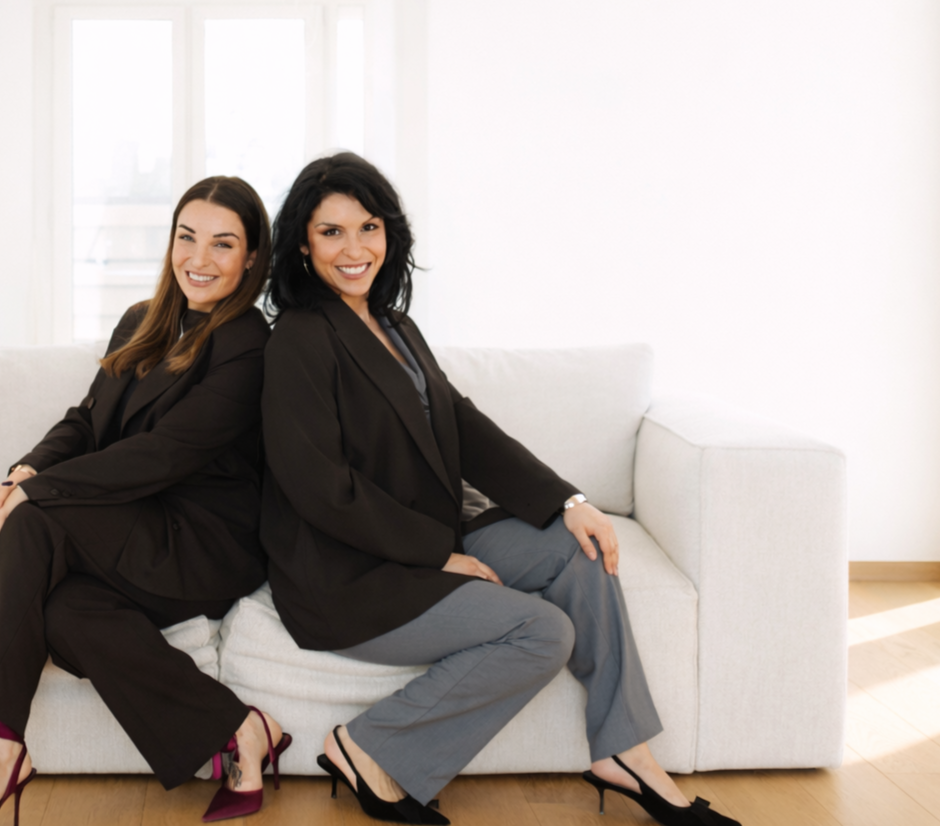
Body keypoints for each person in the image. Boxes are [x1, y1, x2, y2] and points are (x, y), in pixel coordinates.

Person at [258, 153, 738, 826]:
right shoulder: (297, 340)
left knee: (582, 551)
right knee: (542, 631)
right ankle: (366, 746)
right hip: (346, 574)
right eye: (331, 231)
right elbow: (320, 489)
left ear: (389, 234)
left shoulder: (393, 324)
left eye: (367, 227)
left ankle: (623, 752)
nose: (353, 248)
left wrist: (569, 501)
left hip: (428, 533)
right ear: (303, 244)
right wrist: (434, 554)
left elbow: (463, 424)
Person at [0, 176, 288, 826]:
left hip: (203, 539)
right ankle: (239, 728)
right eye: (186, 237)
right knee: (58, 608)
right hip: (134, 522)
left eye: (222, 244)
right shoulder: (139, 322)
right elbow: (86, 419)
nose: (198, 259)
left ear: (252, 257)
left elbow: (167, 452)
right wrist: (26, 467)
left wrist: (35, 493)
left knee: (31, 528)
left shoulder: (248, 342)